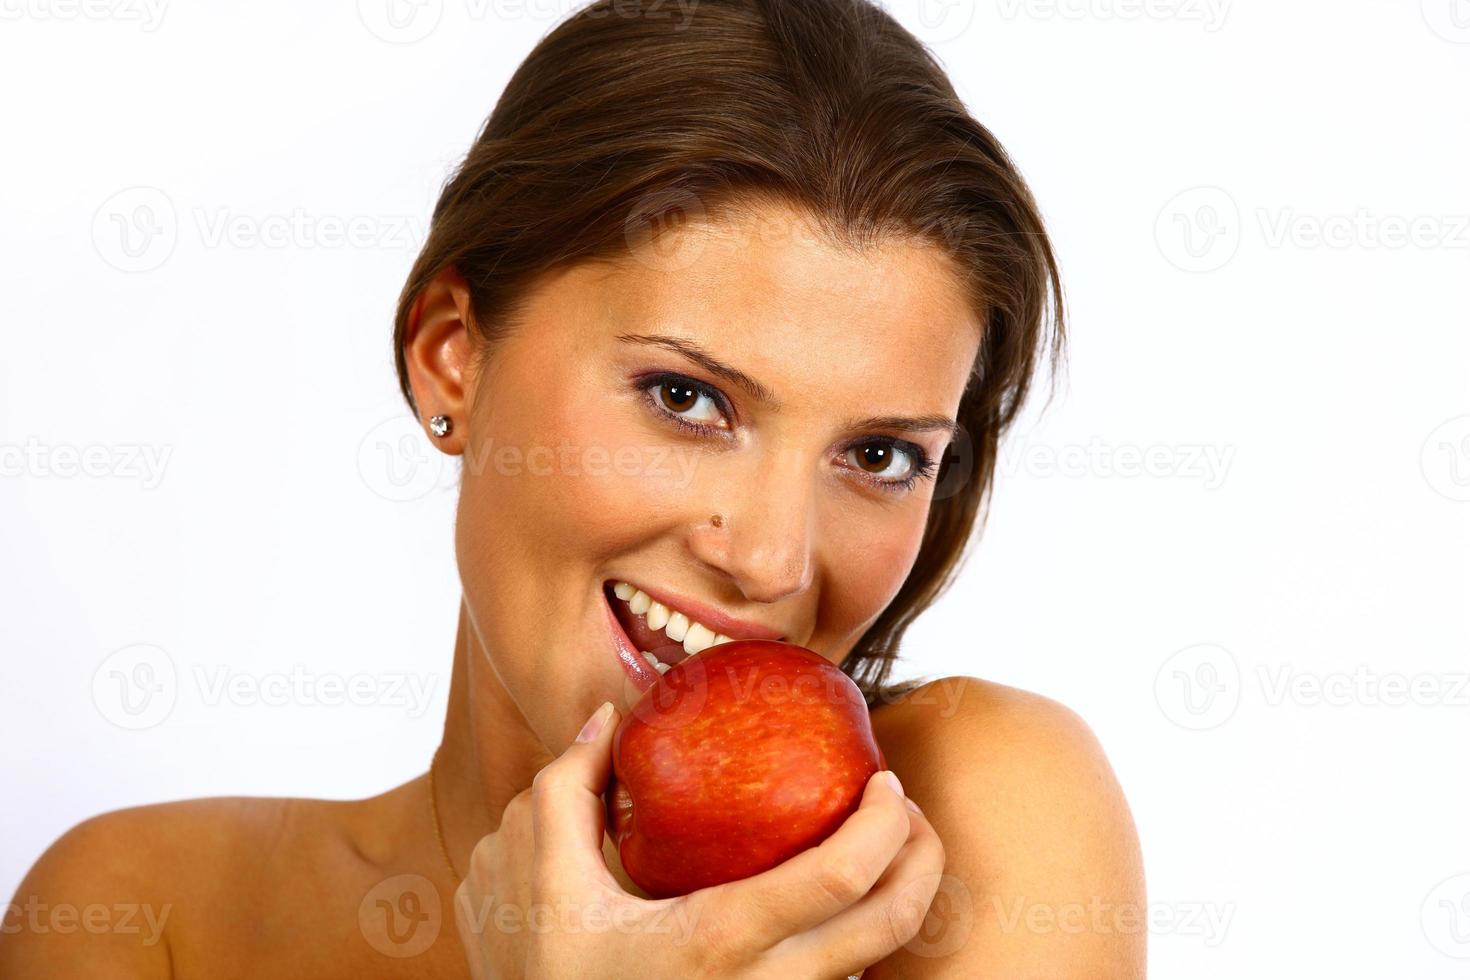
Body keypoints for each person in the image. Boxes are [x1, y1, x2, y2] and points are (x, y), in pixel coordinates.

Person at [0, 0, 1145, 976]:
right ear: (452, 349)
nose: (774, 558)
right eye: (686, 398)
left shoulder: (983, 814)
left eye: (880, 455)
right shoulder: (155, 919)